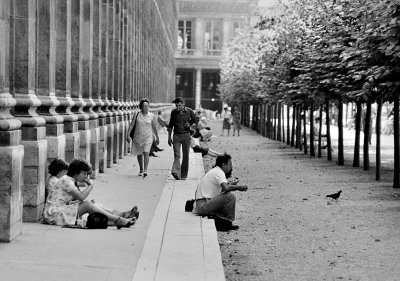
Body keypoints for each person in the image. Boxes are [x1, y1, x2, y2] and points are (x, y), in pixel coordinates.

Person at [42, 159, 136, 228]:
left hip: (57, 212)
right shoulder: (66, 181)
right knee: (87, 204)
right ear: (76, 173)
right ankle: (118, 219)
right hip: (54, 214)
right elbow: (81, 197)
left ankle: (118, 218)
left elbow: (70, 201)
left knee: (90, 206)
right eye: (84, 174)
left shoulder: (68, 180)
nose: (86, 177)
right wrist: (90, 186)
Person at [192, 154, 248, 231]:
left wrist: (232, 184)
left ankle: (224, 221)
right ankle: (227, 221)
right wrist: (239, 187)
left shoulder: (216, 171)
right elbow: (226, 188)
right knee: (230, 196)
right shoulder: (219, 172)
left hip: (202, 204)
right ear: (223, 165)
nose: (231, 166)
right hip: (203, 205)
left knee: (227, 196)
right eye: (230, 164)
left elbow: (221, 189)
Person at [126, 98, 159, 177]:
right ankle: (141, 169)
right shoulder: (137, 115)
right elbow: (131, 125)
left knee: (146, 152)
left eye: (147, 106)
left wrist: (157, 137)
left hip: (148, 137)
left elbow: (154, 127)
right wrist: (128, 134)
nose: (146, 107)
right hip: (138, 137)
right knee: (139, 153)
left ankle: (145, 170)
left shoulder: (151, 116)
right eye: (144, 106)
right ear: (141, 107)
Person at [167, 97, 197, 180]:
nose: (178, 107)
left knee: (186, 155)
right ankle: (176, 172)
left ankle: (183, 175)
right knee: (177, 154)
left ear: (183, 104)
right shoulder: (173, 112)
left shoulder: (190, 111)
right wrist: (169, 138)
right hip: (176, 135)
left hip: (186, 135)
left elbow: (195, 121)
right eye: (176, 105)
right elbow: (170, 126)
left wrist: (190, 124)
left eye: (179, 105)